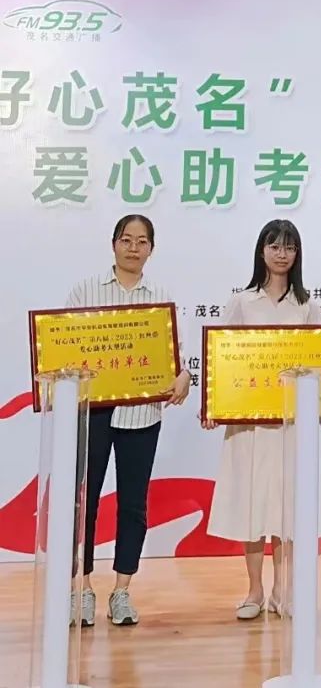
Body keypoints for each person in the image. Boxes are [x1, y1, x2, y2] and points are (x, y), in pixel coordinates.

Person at [67, 214, 191, 627]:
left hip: (142, 415)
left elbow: (176, 357)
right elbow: (64, 348)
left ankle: (121, 591)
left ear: (151, 249)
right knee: (84, 502)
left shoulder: (161, 297)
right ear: (113, 244)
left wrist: (184, 377)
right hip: (94, 412)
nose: (133, 248)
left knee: (133, 504)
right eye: (126, 239)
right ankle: (82, 589)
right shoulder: (85, 291)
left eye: (142, 241)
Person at [204, 219, 321, 619]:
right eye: (274, 246)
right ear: (261, 251)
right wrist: (213, 407)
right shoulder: (242, 302)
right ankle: (254, 590)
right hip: (249, 424)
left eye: (289, 247)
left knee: (287, 508)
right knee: (253, 506)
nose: (281, 254)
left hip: (291, 425)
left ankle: (282, 590)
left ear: (297, 254)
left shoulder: (307, 306)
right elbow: (221, 359)